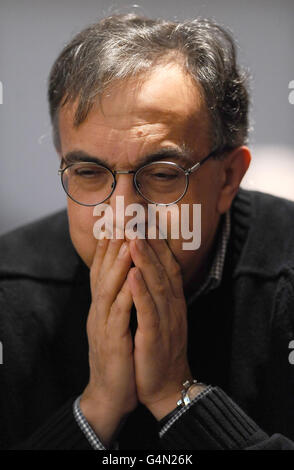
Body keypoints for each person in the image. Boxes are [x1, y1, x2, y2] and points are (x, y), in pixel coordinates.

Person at [0, 13, 294, 451]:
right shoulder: (10, 291)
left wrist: (178, 396)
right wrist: (96, 409)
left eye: (161, 174)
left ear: (229, 178)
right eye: (88, 172)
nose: (122, 214)